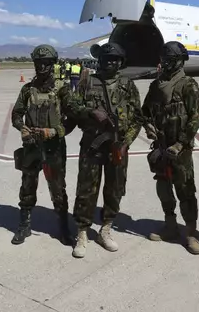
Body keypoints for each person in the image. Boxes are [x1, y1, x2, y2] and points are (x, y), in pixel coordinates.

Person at [69, 42, 143, 258]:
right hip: (92, 145)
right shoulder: (87, 81)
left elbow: (137, 117)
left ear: (120, 62)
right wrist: (91, 113)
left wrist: (126, 141)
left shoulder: (127, 85)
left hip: (117, 146)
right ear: (99, 60)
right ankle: (82, 232)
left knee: (115, 188)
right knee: (86, 189)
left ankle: (106, 228)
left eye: (115, 59)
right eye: (107, 58)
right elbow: (72, 106)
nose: (110, 62)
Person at [142, 41, 199, 255]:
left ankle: (191, 233)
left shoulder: (188, 85)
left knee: (186, 190)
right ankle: (170, 225)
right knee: (163, 187)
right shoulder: (156, 85)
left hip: (181, 149)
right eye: (163, 60)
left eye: (169, 60)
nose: (165, 64)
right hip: (161, 146)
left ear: (179, 61)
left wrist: (181, 143)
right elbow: (145, 112)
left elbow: (196, 118)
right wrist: (148, 127)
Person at [10, 44, 74, 246]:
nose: (41, 67)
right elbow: (16, 114)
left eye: (46, 63)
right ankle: (24, 224)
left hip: (53, 147)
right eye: (38, 63)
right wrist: (22, 127)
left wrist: (55, 131)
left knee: (57, 187)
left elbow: (73, 118)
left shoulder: (62, 88)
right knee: (27, 185)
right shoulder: (27, 89)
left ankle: (63, 226)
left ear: (52, 64)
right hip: (31, 146)